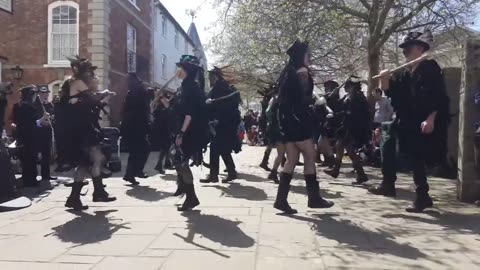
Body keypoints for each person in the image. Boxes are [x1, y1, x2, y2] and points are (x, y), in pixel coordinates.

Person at [369, 30, 450, 213]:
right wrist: (385, 79)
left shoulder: (430, 68)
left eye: (409, 47)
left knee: (417, 158)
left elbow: (440, 97)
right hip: (405, 119)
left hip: (423, 120)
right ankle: (388, 184)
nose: (405, 51)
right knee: (388, 145)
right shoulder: (405, 72)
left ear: (420, 48)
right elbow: (393, 94)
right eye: (404, 48)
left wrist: (431, 118)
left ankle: (423, 196)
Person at [274, 39, 334, 214]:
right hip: (298, 122)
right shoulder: (301, 72)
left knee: (292, 159)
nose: (310, 57)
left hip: (288, 123)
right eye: (308, 54)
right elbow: (301, 100)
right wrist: (318, 103)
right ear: (302, 55)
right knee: (309, 155)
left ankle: (281, 200)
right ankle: (314, 199)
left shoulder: (288, 73)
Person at [61, 55, 116, 210]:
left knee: (85, 164)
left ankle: (74, 198)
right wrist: (104, 94)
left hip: (82, 127)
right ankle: (99, 192)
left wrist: (103, 95)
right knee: (97, 158)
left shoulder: (76, 83)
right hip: (82, 129)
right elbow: (92, 98)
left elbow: (90, 100)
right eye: (89, 72)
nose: (91, 75)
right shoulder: (76, 82)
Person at [171, 55, 208, 211]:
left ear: (187, 71)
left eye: (181, 68)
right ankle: (188, 194)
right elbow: (177, 109)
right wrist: (161, 100)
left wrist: (181, 133)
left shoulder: (191, 87)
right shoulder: (184, 86)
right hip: (184, 128)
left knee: (181, 162)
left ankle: (191, 197)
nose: (178, 70)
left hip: (190, 131)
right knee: (177, 160)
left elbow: (189, 113)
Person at [324, 76, 370, 184]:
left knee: (348, 149)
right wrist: (333, 96)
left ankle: (359, 173)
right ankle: (353, 172)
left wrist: (344, 114)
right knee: (341, 146)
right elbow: (336, 106)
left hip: (355, 128)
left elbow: (357, 114)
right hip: (346, 127)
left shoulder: (359, 98)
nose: (345, 88)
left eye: (348, 86)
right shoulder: (346, 97)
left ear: (354, 87)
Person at [201, 66, 240, 183]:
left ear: (215, 77)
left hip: (223, 124)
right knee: (219, 149)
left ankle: (220, 174)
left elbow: (218, 106)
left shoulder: (220, 88)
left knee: (218, 148)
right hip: (223, 124)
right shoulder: (222, 87)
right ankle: (220, 173)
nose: (209, 80)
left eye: (210, 77)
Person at [121, 73, 152, 185]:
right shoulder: (139, 93)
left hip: (131, 126)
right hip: (136, 126)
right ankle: (135, 172)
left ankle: (132, 173)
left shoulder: (131, 93)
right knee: (142, 149)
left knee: (136, 151)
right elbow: (144, 109)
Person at [12, 85, 45, 187]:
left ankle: (29, 180)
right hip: (29, 137)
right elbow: (30, 124)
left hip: (23, 136)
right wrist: (41, 121)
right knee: (30, 159)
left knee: (27, 159)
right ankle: (30, 181)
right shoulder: (28, 107)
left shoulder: (20, 106)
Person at [34, 86, 57, 182]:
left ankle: (46, 175)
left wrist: (51, 118)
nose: (46, 95)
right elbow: (34, 117)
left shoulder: (49, 104)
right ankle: (33, 176)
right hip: (38, 132)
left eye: (47, 93)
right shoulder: (35, 105)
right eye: (43, 93)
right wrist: (42, 121)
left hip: (47, 131)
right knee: (35, 154)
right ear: (39, 94)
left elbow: (53, 114)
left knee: (46, 155)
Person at [152, 89, 174, 174]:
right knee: (165, 147)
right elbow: (151, 108)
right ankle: (160, 164)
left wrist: (160, 96)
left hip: (166, 127)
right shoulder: (157, 104)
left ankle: (165, 163)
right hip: (161, 128)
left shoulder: (165, 103)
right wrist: (157, 97)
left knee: (166, 147)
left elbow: (167, 104)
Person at [265, 94, 285, 184]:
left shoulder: (274, 98)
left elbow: (267, 112)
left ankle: (274, 172)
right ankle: (275, 172)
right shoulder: (283, 99)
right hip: (282, 129)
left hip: (274, 128)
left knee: (282, 153)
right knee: (284, 154)